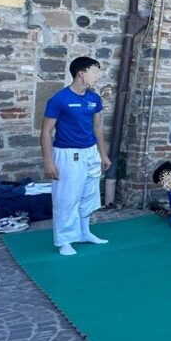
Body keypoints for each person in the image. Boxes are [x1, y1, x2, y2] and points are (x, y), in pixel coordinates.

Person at [40, 56, 112, 256]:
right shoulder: (59, 99)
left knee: (89, 195)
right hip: (67, 153)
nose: (98, 76)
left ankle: (83, 232)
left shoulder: (94, 99)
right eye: (95, 72)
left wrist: (103, 154)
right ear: (81, 73)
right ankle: (64, 241)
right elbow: (46, 132)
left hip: (90, 153)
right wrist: (48, 161)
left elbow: (97, 127)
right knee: (67, 198)